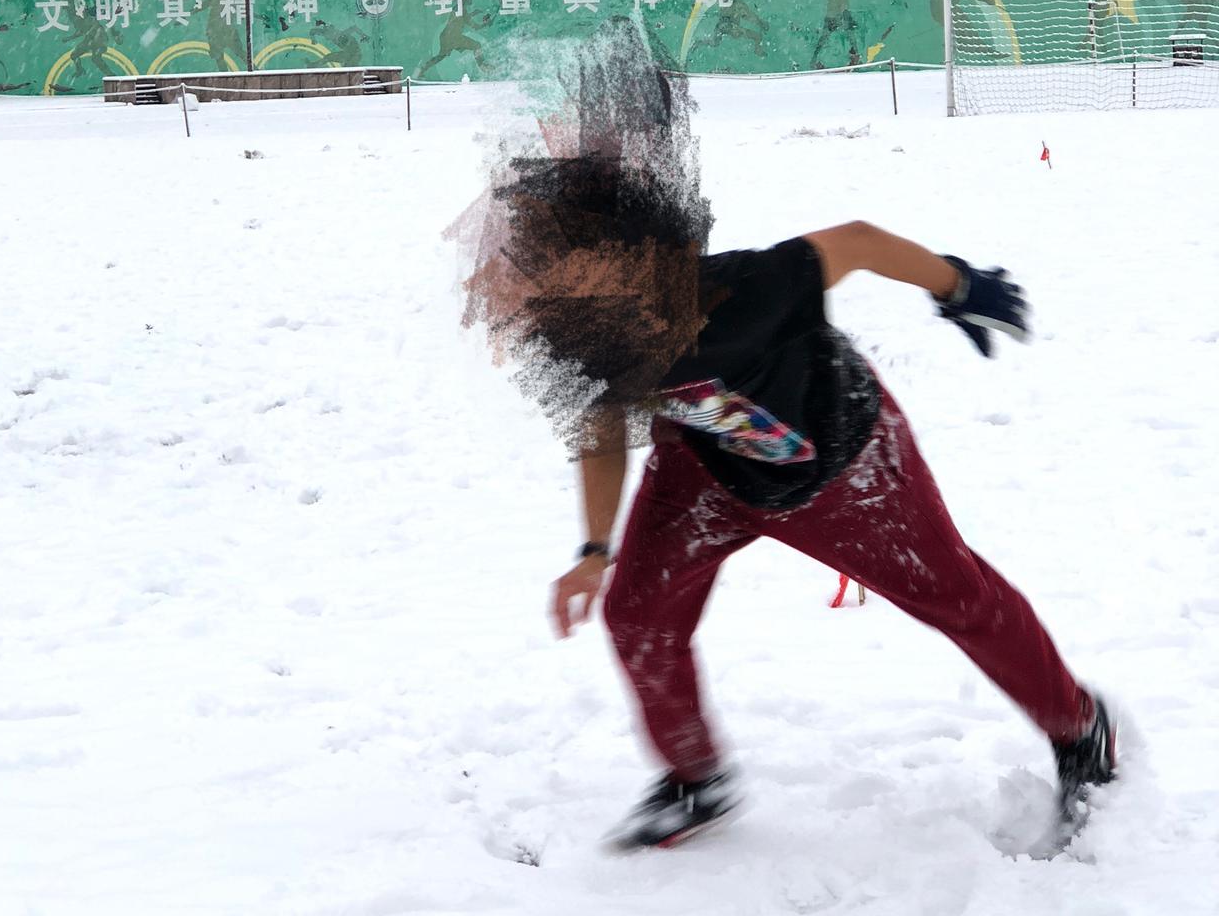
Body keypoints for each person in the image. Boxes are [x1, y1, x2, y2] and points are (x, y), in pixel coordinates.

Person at [455, 65, 1117, 852]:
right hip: (704, 471)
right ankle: (696, 781)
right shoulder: (581, 338)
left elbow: (859, 243)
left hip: (844, 467)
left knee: (958, 597)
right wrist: (595, 549)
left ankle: (1080, 730)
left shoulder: (741, 291)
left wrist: (957, 284)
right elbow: (600, 430)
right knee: (638, 612)